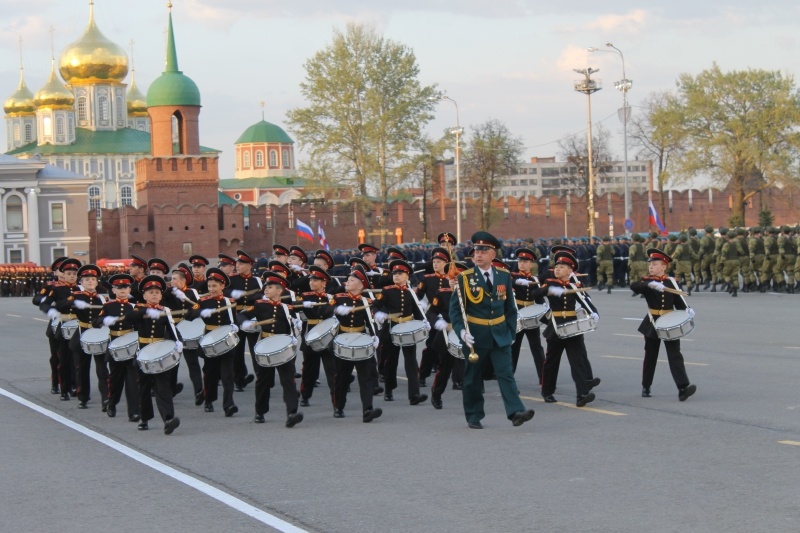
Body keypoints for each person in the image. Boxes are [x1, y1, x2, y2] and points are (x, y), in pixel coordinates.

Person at [449, 231, 535, 429]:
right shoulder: (465, 278)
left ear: (493, 255)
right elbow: (455, 311)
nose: (478, 255)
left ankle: (515, 412)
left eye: (483, 251)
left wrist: (511, 332)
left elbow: (510, 308)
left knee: (505, 373)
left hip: (499, 334)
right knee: (472, 378)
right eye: (476, 251)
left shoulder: (503, 276)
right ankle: (473, 415)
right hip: (475, 336)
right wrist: (462, 332)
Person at [532, 250, 599, 407]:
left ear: (570, 271)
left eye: (562, 267)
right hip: (555, 326)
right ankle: (547, 391)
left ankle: (582, 394)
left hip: (572, 326)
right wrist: (548, 290)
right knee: (552, 361)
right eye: (557, 266)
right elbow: (536, 294)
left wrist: (594, 313)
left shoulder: (573, 285)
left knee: (577, 361)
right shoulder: (550, 283)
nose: (558, 269)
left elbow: (584, 300)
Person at [629, 248, 697, 401]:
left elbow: (679, 301)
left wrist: (687, 310)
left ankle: (683, 388)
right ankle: (646, 386)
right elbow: (634, 286)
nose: (651, 267)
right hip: (653, 322)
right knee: (651, 355)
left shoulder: (671, 282)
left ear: (664, 267)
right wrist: (650, 285)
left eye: (654, 264)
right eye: (650, 264)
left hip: (670, 321)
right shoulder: (647, 281)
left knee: (675, 355)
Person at [239, 271, 304, 427]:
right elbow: (242, 315)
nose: (266, 290)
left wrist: (297, 325)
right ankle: (260, 412)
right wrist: (245, 323)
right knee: (263, 381)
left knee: (288, 381)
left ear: (279, 291)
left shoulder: (288, 308)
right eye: (266, 287)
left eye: (270, 287)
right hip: (266, 344)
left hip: (283, 346)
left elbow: (294, 324)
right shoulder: (260, 305)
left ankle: (292, 413)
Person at [126, 275, 183, 434]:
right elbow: (129, 319)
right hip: (142, 351)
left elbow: (171, 328)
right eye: (150, 292)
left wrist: (178, 341)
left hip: (159, 351)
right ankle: (144, 418)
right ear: (144, 295)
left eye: (157, 292)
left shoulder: (164, 311)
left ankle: (168, 419)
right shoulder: (138, 309)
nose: (154, 295)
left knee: (162, 386)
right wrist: (145, 311)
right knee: (143, 387)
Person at [329, 266, 383, 422]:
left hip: (361, 339)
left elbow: (371, 322)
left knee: (365, 377)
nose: (348, 282)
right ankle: (338, 406)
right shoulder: (339, 297)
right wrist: (336, 310)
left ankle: (368, 410)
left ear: (360, 285)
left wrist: (375, 336)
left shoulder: (367, 301)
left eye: (352, 280)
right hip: (343, 338)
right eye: (348, 279)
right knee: (342, 377)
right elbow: (325, 309)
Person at [373, 259, 429, 405]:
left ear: (407, 276)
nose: (396, 276)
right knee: (391, 361)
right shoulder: (387, 291)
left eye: (400, 274)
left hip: (408, 328)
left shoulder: (411, 292)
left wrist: (423, 321)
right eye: (395, 274)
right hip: (392, 329)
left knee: (411, 362)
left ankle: (414, 394)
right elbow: (376, 305)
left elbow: (416, 310)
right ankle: (389, 390)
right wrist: (378, 314)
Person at [186, 267, 240, 417]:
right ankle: (209, 400)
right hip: (210, 339)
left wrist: (236, 325)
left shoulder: (230, 302)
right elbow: (189, 315)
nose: (211, 289)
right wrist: (200, 312)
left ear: (222, 286)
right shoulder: (203, 301)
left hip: (227, 340)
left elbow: (234, 320)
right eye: (209, 286)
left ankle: (228, 405)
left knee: (228, 375)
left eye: (215, 286)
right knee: (210, 374)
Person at [96, 273, 139, 421]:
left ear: (129, 290)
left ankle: (133, 412)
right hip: (114, 344)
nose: (122, 290)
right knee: (115, 379)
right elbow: (97, 321)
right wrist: (106, 320)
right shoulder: (108, 306)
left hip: (130, 346)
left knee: (132, 380)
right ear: (113, 290)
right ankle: (112, 403)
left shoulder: (134, 307)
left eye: (125, 287)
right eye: (119, 288)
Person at [510, 247, 546, 383]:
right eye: (520, 261)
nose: (522, 264)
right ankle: (510, 377)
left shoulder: (534, 279)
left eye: (525, 262)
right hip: (518, 315)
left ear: (531, 264)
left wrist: (543, 306)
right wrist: (517, 281)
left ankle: (543, 376)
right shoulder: (513, 276)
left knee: (536, 347)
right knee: (514, 348)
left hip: (531, 317)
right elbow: (506, 282)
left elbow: (539, 298)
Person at [226, 249, 260, 391]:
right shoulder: (232, 280)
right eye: (237, 263)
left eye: (241, 263)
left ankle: (261, 378)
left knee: (255, 350)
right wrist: (233, 293)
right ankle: (238, 380)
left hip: (252, 317)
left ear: (249, 265)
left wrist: (252, 297)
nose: (238, 265)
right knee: (237, 351)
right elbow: (224, 291)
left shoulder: (256, 280)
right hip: (237, 317)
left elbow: (262, 294)